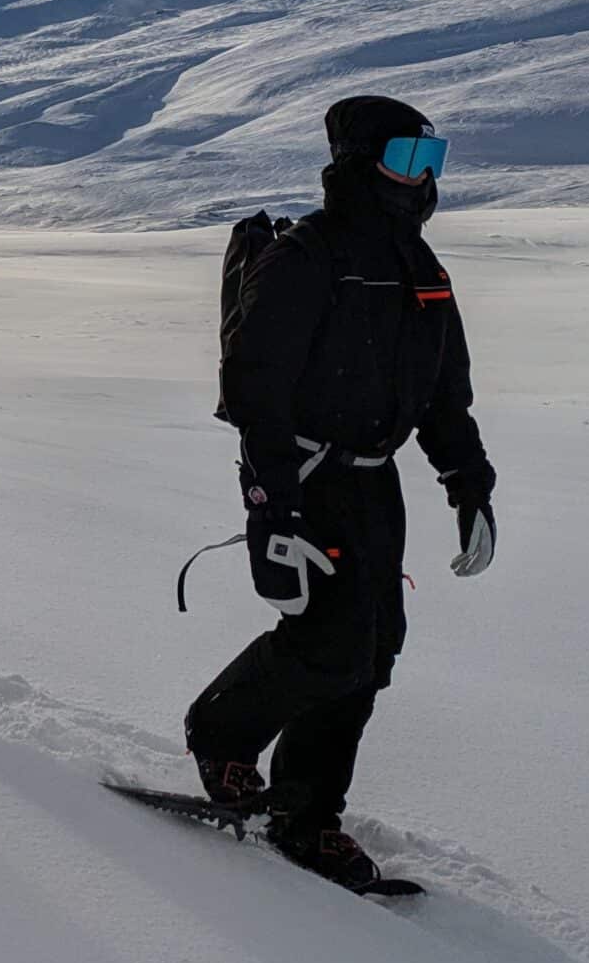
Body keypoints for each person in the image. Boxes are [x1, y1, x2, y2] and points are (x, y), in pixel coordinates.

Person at [183, 95, 498, 889]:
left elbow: (444, 396)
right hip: (305, 475)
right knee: (326, 644)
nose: (421, 179)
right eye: (405, 159)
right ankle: (223, 736)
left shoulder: (423, 270)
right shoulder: (308, 256)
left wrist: (469, 485)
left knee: (373, 650)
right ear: (362, 162)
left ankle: (306, 807)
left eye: (433, 161)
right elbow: (257, 388)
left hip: (375, 486)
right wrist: (272, 505)